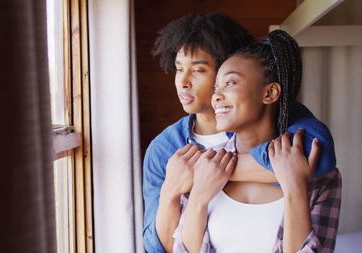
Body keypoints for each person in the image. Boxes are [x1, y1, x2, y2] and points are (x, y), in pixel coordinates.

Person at [143, 14, 337, 253]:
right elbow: (158, 248)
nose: (183, 81)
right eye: (179, 69)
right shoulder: (168, 149)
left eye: (198, 70)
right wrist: (173, 191)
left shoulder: (287, 124)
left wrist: (208, 170)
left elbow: (321, 157)